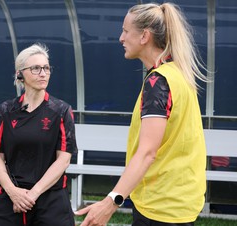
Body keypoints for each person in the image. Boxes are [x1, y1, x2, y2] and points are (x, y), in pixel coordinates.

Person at [75, 2, 207, 226]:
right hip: (179, 203)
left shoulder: (158, 82)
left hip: (159, 206)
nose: (121, 38)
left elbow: (147, 152)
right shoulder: (178, 75)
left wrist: (110, 202)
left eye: (126, 31)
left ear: (144, 36)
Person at [0, 43, 78, 226]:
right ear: (20, 74)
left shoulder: (61, 111)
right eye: (36, 68)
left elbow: (63, 159)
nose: (43, 73)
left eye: (46, 68)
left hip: (51, 200)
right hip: (12, 198)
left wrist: (32, 194)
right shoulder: (6, 110)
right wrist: (12, 192)